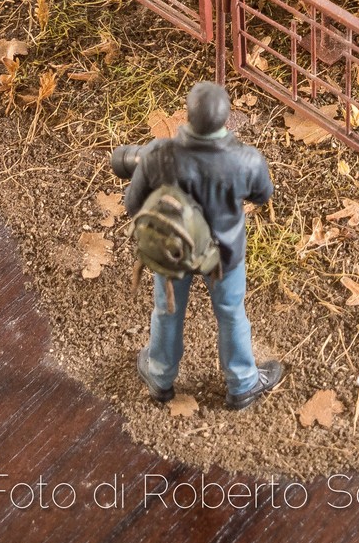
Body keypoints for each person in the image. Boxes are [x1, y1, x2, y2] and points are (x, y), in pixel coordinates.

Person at [109, 80, 283, 410]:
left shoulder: (159, 155)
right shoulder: (246, 160)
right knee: (231, 313)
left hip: (173, 251)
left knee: (167, 310)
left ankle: (160, 375)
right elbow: (263, 194)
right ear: (226, 119)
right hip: (224, 254)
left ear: (187, 115)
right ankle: (242, 383)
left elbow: (133, 204)